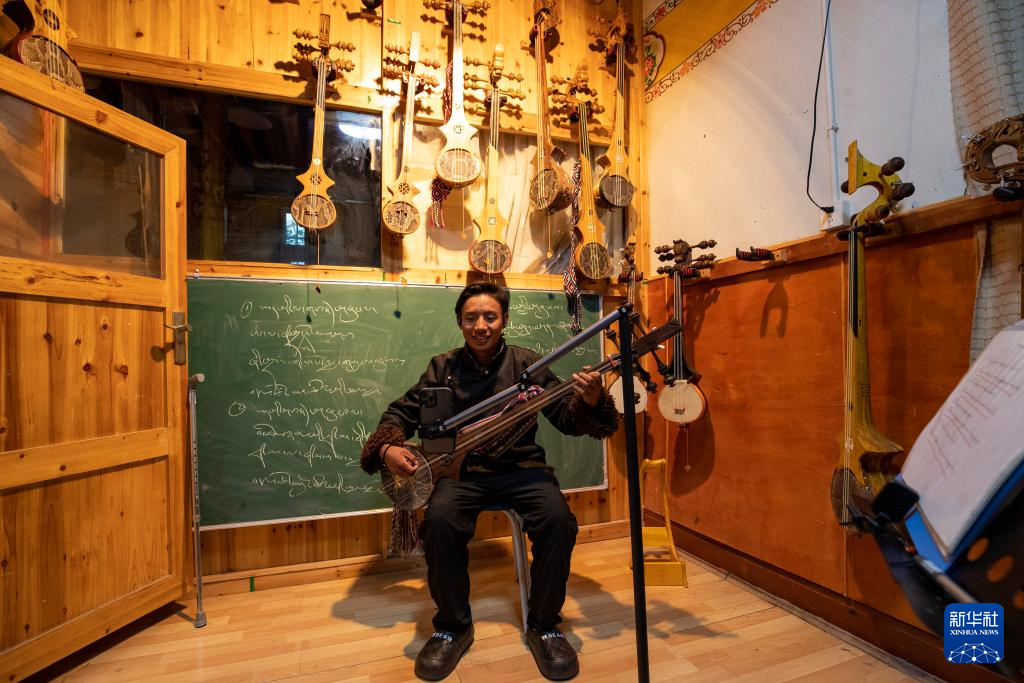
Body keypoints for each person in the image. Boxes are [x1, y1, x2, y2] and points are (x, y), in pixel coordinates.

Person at [360, 282, 618, 681]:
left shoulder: (527, 364)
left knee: (557, 521)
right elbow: (400, 414)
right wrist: (387, 448)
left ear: (504, 320)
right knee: (439, 523)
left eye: (490, 317)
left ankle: (544, 625)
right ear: (460, 322)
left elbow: (567, 420)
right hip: (462, 475)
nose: (481, 325)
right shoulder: (441, 368)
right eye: (471, 318)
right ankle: (452, 627)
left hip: (522, 470)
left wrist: (590, 401)